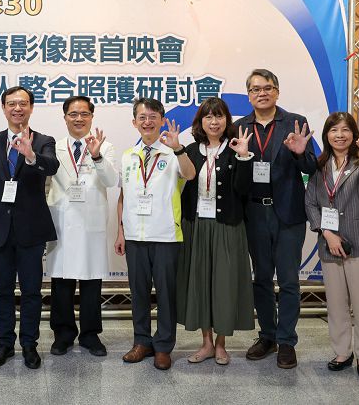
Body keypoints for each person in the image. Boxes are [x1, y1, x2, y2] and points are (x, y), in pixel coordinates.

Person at [234, 69, 317, 369]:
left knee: (289, 281)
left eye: (267, 88)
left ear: (277, 92)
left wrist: (299, 153)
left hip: (288, 214)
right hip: (254, 213)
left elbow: (312, 168)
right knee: (261, 279)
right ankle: (267, 336)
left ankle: (286, 341)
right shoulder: (239, 127)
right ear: (249, 95)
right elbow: (236, 175)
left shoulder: (296, 122)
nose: (262, 93)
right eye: (255, 89)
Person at [0, 86, 59, 369]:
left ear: (31, 108)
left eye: (23, 103)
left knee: (32, 291)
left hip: (31, 230)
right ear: (3, 108)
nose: (17, 108)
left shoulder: (44, 140)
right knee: (2, 291)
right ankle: (5, 344)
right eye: (11, 103)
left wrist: (31, 155)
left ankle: (29, 344)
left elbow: (51, 166)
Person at [114, 98, 196, 370]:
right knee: (138, 292)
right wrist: (120, 232)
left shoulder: (174, 152)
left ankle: (163, 346)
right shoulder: (128, 155)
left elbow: (190, 175)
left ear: (161, 120)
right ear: (134, 122)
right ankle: (142, 342)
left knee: (165, 294)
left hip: (165, 235)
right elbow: (123, 196)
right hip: (135, 236)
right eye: (142, 117)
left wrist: (179, 149)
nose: (147, 122)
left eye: (152, 117)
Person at [177, 97, 255, 366]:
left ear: (226, 120)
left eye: (219, 116)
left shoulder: (235, 148)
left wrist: (243, 156)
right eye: (208, 117)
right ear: (200, 122)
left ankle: (221, 344)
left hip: (227, 226)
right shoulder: (190, 150)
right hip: (197, 225)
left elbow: (243, 190)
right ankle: (207, 343)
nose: (214, 122)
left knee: (224, 283)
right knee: (201, 283)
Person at [305, 113, 359, 378]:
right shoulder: (319, 166)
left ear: (353, 134)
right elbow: (310, 203)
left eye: (345, 130)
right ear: (326, 135)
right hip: (330, 243)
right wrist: (326, 233)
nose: (339, 135)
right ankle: (342, 352)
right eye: (334, 130)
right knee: (336, 304)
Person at [46, 96, 118, 357]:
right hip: (62, 222)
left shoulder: (105, 146)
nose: (79, 119)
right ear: (65, 117)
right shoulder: (53, 147)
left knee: (91, 282)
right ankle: (63, 334)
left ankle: (90, 335)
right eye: (73, 114)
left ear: (92, 117)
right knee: (61, 283)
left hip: (90, 224)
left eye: (84, 114)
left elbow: (110, 181)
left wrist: (96, 155)